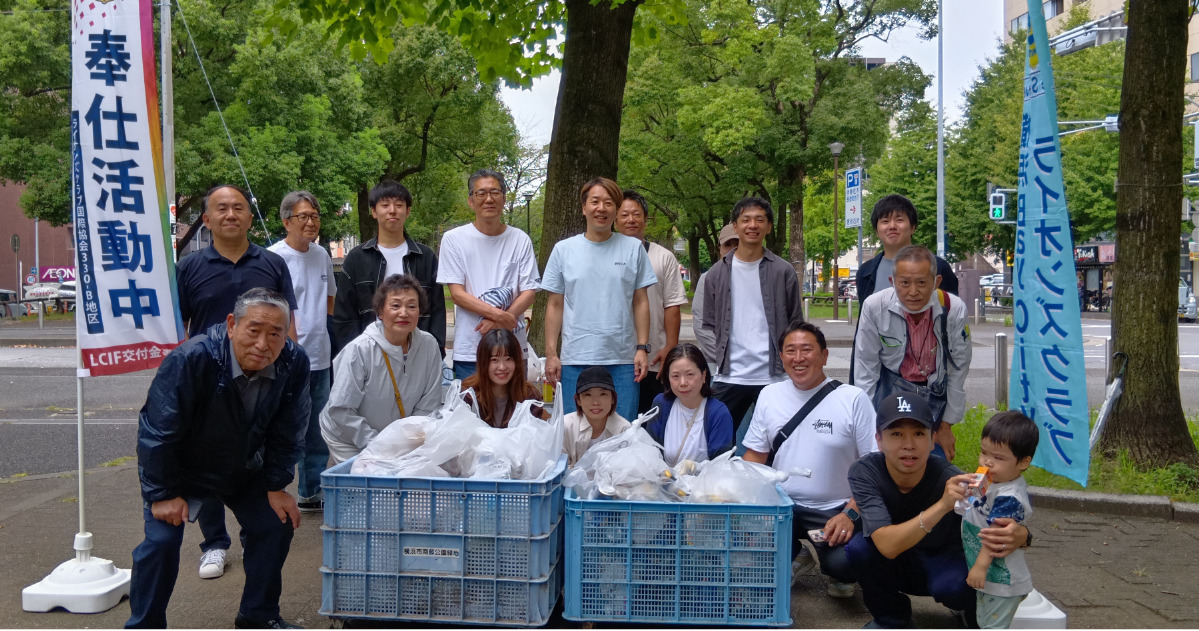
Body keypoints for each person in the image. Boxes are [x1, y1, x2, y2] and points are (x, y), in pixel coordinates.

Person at [127, 288, 309, 629]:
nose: (263, 344)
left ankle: (258, 616)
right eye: (253, 330)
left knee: (275, 523)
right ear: (231, 325)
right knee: (161, 543)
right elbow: (158, 431)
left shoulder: (294, 361)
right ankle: (145, 624)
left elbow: (290, 428)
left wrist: (277, 484)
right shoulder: (191, 358)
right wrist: (162, 493)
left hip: (243, 465)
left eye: (275, 334)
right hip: (182, 470)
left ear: (287, 334)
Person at [175, 184, 299, 580]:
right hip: (205, 382)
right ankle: (214, 543)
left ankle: (253, 532)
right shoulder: (189, 267)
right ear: (206, 220)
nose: (231, 214)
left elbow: (286, 322)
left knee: (254, 456)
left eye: (239, 208)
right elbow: (179, 327)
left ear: (250, 216)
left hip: (259, 380)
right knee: (205, 460)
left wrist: (288, 367)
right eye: (221, 208)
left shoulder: (272, 263)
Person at [845, 393, 1030, 629]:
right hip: (893, 560)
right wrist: (943, 505)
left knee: (957, 586)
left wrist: (1023, 535)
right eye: (896, 434)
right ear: (879, 440)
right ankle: (891, 620)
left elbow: (998, 517)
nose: (909, 444)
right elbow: (887, 547)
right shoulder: (865, 472)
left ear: (933, 440)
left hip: (942, 560)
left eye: (919, 434)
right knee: (858, 549)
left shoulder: (953, 478)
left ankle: (968, 609)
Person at [742, 322, 877, 599]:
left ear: (825, 356)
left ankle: (836, 570)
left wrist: (850, 513)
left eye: (807, 350)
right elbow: (755, 456)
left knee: (848, 564)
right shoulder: (769, 395)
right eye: (790, 351)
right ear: (781, 357)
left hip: (835, 509)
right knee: (747, 555)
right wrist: (743, 501)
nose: (798, 358)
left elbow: (874, 467)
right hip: (782, 506)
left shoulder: (853, 399)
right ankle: (797, 555)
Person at [542, 177, 657, 421]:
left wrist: (642, 348)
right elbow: (554, 304)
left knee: (623, 430)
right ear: (584, 208)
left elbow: (641, 301)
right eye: (595, 202)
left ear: (616, 210)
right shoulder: (564, 250)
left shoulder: (633, 248)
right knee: (575, 431)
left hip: (623, 359)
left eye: (608, 203)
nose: (601, 208)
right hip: (575, 357)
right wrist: (552, 353)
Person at [853, 245, 971, 460]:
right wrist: (869, 422)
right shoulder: (874, 306)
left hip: (933, 393)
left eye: (922, 283)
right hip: (890, 388)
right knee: (886, 460)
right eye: (905, 283)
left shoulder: (954, 308)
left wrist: (946, 425)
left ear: (936, 282)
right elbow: (866, 367)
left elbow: (958, 369)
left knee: (933, 462)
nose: (913, 291)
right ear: (893, 282)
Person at [700, 197, 803, 431]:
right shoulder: (716, 274)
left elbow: (796, 323)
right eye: (745, 220)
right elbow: (709, 324)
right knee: (717, 441)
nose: (752, 225)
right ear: (735, 227)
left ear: (768, 227)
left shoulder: (783, 271)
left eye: (760, 220)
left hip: (774, 375)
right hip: (730, 375)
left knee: (778, 442)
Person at [321, 274, 445, 464]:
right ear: (380, 311)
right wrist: (381, 445)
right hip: (349, 437)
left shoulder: (429, 345)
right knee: (369, 484)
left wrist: (405, 444)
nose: (404, 313)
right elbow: (341, 410)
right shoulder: (359, 350)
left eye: (412, 306)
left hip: (397, 442)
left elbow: (429, 404)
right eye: (395, 306)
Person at [268, 191, 335, 513]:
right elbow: (269, 309)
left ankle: (312, 492)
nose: (310, 222)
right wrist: (288, 349)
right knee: (279, 427)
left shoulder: (322, 255)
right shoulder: (273, 258)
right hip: (283, 359)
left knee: (317, 430)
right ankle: (270, 490)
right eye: (303, 216)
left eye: (315, 216)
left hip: (320, 357)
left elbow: (329, 300)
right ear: (286, 222)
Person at [438, 169, 541, 380]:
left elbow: (529, 292)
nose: (488, 199)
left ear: (504, 198)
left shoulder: (520, 240)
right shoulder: (454, 239)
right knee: (469, 411)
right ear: (470, 201)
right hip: (471, 349)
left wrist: (498, 322)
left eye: (495, 192)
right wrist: (500, 316)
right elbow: (457, 294)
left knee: (514, 412)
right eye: (481, 193)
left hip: (512, 348)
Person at [332, 180, 445, 356]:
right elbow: (344, 315)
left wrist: (435, 351)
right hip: (369, 355)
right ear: (374, 211)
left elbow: (437, 310)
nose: (392, 210)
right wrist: (355, 355)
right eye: (385, 205)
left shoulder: (426, 257)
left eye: (399, 205)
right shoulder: (357, 258)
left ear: (407, 211)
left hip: (418, 353)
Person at [958, 411, 1039, 629]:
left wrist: (980, 567)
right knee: (983, 620)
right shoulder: (991, 482)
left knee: (991, 626)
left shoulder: (1010, 496)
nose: (988, 462)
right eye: (984, 453)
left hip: (1002, 580)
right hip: (991, 579)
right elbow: (968, 508)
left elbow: (996, 535)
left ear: (1023, 462)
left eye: (998, 458)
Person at [617, 190, 688, 413]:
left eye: (636, 214)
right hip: (616, 357)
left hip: (654, 356)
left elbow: (672, 305)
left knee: (654, 418)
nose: (631, 220)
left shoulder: (663, 257)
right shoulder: (605, 254)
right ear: (614, 219)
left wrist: (670, 347)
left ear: (646, 219)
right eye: (624, 214)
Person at [855, 194, 958, 307]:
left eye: (899, 220)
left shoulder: (938, 267)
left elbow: (952, 314)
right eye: (885, 221)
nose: (892, 226)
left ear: (913, 227)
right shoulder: (865, 272)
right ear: (877, 231)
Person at [645, 343, 734, 465]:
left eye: (690, 374)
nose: (683, 383)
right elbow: (649, 451)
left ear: (703, 375)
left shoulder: (718, 412)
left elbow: (721, 466)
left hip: (705, 482)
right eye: (675, 376)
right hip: (665, 480)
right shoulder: (661, 404)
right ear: (668, 378)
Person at [460, 328, 544, 428]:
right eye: (494, 360)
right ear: (483, 362)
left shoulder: (530, 397)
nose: (502, 367)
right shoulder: (467, 395)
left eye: (508, 359)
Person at [562, 365, 632, 466]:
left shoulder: (624, 429)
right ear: (578, 400)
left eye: (603, 394)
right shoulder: (565, 426)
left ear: (612, 398)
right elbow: (558, 469)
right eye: (588, 395)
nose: (595, 402)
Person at [692, 223, 738, 367]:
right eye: (727, 245)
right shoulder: (707, 279)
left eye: (738, 244)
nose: (733, 250)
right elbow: (701, 325)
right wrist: (726, 359)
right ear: (719, 248)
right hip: (716, 367)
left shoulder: (759, 278)